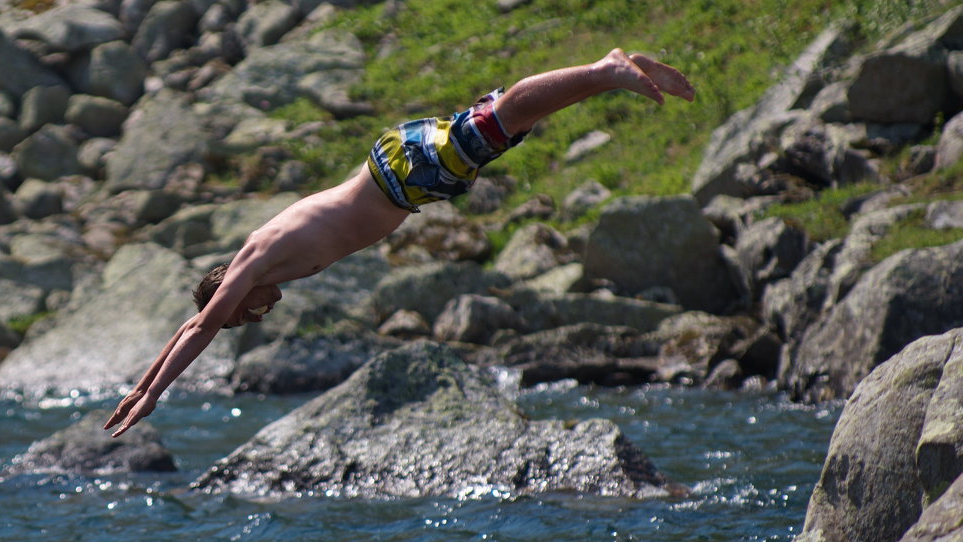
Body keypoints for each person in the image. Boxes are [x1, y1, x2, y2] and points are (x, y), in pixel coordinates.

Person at [105, 48, 695, 437]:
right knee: (503, 128)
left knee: (496, 121)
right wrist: (138, 385)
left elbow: (200, 327)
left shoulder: (254, 261)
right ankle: (605, 76)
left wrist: (153, 395)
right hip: (405, 180)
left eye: (244, 315)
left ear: (231, 299)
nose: (256, 316)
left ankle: (604, 71)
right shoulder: (265, 267)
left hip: (399, 174)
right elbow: (194, 326)